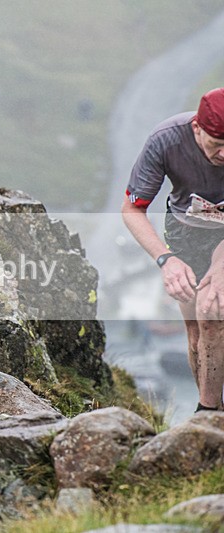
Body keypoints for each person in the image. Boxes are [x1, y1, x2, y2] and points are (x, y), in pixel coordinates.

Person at [122, 87, 224, 412]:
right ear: (197, 128)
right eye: (218, 145)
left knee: (214, 316)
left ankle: (207, 413)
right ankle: (209, 412)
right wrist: (166, 260)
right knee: (197, 326)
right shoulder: (166, 140)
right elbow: (131, 209)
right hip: (186, 233)